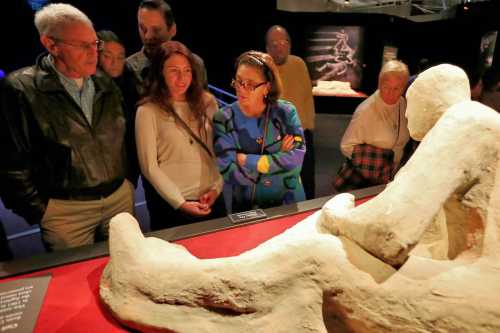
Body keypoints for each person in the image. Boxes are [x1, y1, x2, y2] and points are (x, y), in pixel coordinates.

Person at [103, 64, 500, 332]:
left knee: (317, 255)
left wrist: (341, 213)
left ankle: (161, 281)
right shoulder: (479, 126)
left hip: (475, 293)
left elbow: (389, 232)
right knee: (315, 231)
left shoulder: (467, 120)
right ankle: (225, 276)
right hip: (473, 282)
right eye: (239, 82)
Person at [0, 4, 134, 251]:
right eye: (83, 46)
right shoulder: (20, 89)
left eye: (95, 44)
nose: (93, 53)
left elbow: (125, 137)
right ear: (51, 45)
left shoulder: (105, 82)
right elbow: (11, 162)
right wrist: (42, 211)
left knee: (127, 272)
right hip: (66, 212)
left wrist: (128, 184)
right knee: (74, 282)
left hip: (119, 200)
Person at [135, 41, 225, 230]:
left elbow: (221, 151)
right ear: (161, 72)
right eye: (174, 71)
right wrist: (180, 202)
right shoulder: (147, 111)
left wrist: (216, 188)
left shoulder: (207, 102)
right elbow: (149, 167)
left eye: (187, 71)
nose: (182, 78)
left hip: (213, 200)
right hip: (172, 207)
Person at [214, 51, 306, 212]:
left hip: (287, 202)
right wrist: (278, 158)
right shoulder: (223, 118)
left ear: (267, 87)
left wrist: (245, 160)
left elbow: (295, 161)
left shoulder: (285, 112)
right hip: (245, 207)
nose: (241, 89)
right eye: (239, 81)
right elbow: (228, 171)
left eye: (250, 84)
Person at [334, 59, 410, 191]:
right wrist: (376, 164)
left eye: (397, 88)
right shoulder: (365, 111)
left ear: (403, 88)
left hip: (389, 178)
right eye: (386, 87)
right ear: (379, 84)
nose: (390, 93)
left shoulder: (403, 104)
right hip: (363, 181)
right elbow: (346, 146)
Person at [266, 25, 316, 200]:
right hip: (277, 139)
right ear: (267, 48)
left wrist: (308, 128)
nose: (280, 47)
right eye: (274, 43)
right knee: (279, 188)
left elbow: (306, 98)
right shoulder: (263, 69)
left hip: (303, 133)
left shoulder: (299, 64)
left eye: (283, 42)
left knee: (307, 183)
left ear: (289, 44)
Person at [124, 0, 207, 101]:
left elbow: (203, 105)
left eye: (156, 30)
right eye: (143, 28)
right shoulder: (127, 68)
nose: (148, 36)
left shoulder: (196, 64)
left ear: (172, 29)